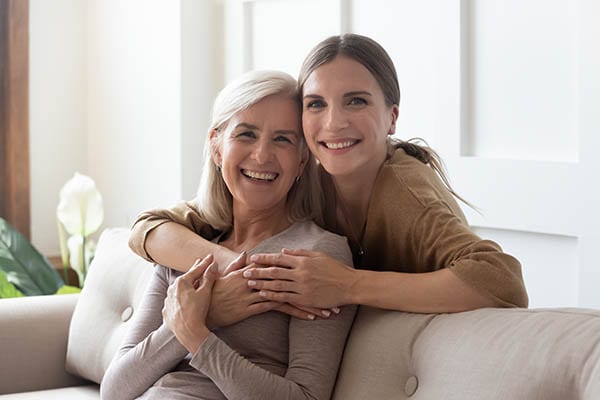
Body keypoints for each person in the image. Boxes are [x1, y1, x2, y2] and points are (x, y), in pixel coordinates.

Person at [128, 34, 528, 318]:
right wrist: (238, 266)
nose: (333, 123)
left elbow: (503, 282)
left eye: (355, 101)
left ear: (392, 116)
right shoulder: (307, 177)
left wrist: (348, 284)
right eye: (316, 104)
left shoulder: (406, 190)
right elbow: (147, 228)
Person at [101, 70, 356, 400]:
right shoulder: (185, 250)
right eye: (246, 135)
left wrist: (198, 337)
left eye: (282, 139)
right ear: (217, 148)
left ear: (302, 159)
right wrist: (196, 318)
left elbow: (306, 397)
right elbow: (114, 389)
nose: (262, 155)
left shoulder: (316, 256)